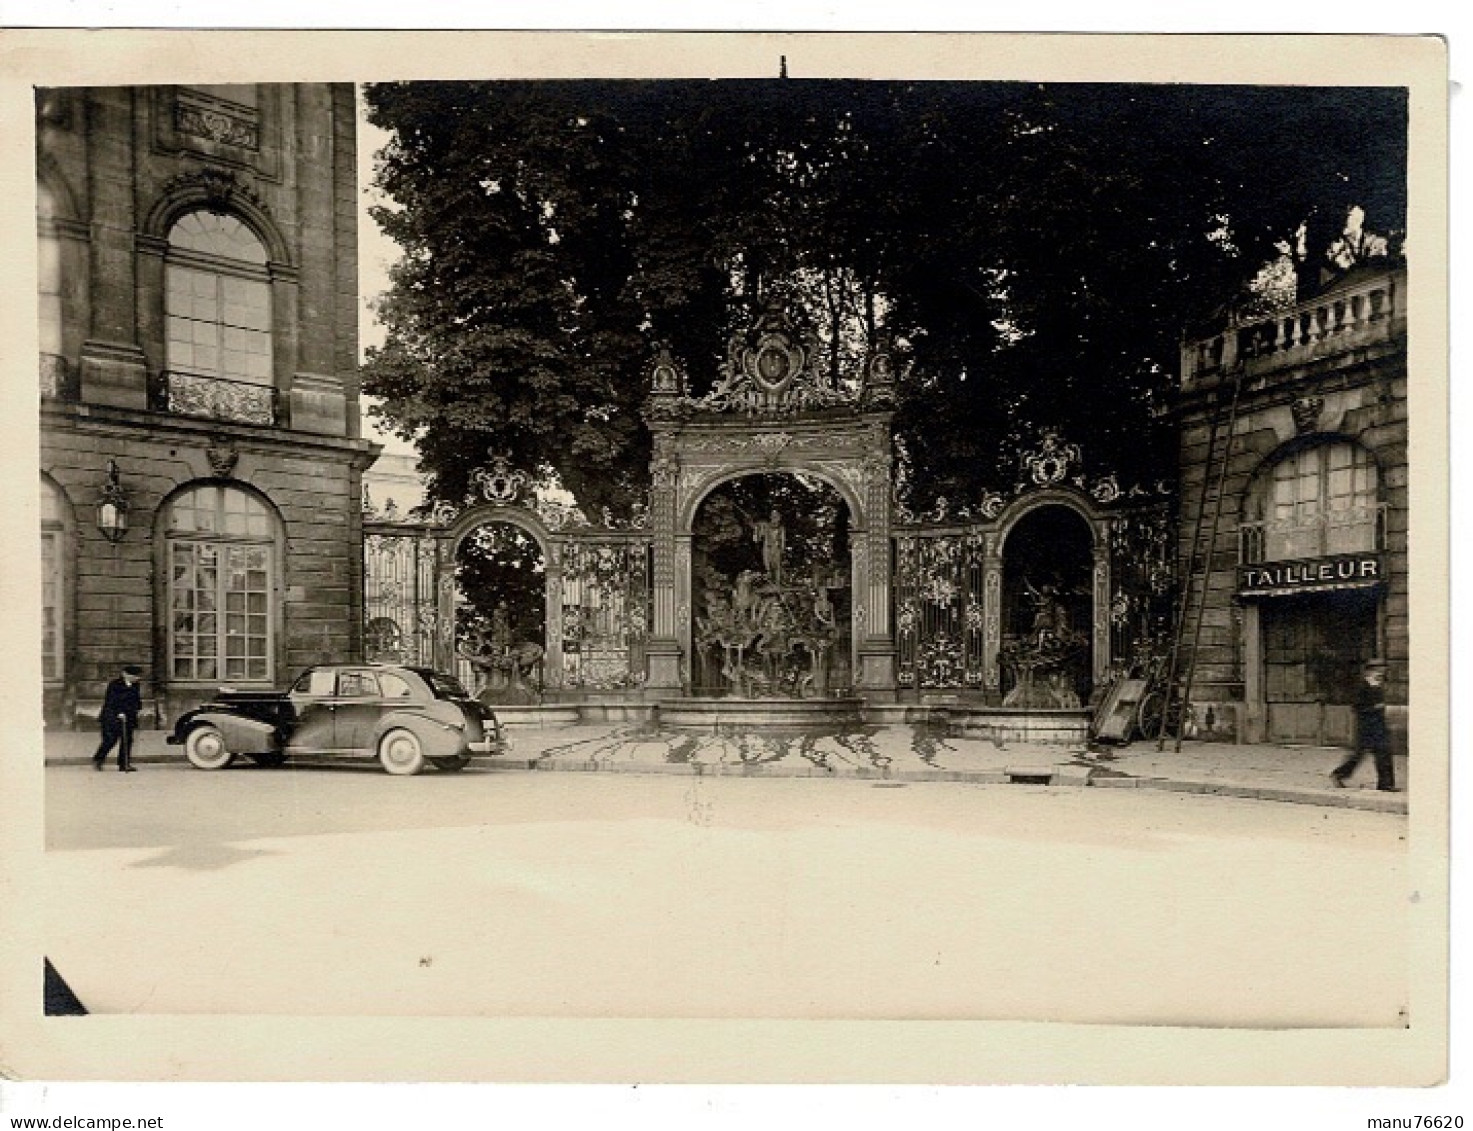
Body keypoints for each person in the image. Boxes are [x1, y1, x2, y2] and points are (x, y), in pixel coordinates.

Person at [1331, 659, 1398, 792]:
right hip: (1366, 726)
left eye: (1383, 669)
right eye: (1379, 669)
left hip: (1378, 726)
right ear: (1369, 671)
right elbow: (1356, 707)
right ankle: (1338, 774)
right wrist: (1374, 707)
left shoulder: (1378, 685)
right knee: (1358, 754)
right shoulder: (1362, 686)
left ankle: (1386, 784)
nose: (1382, 672)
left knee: (1384, 753)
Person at [93, 664, 143, 773]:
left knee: (127, 740)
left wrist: (138, 708)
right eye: (134, 676)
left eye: (138, 676)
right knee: (110, 740)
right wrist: (119, 712)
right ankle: (98, 759)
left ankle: (124, 764)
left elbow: (136, 699)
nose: (137, 678)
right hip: (111, 717)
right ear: (125, 674)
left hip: (129, 717)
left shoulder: (136, 685)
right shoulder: (115, 685)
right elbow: (111, 701)